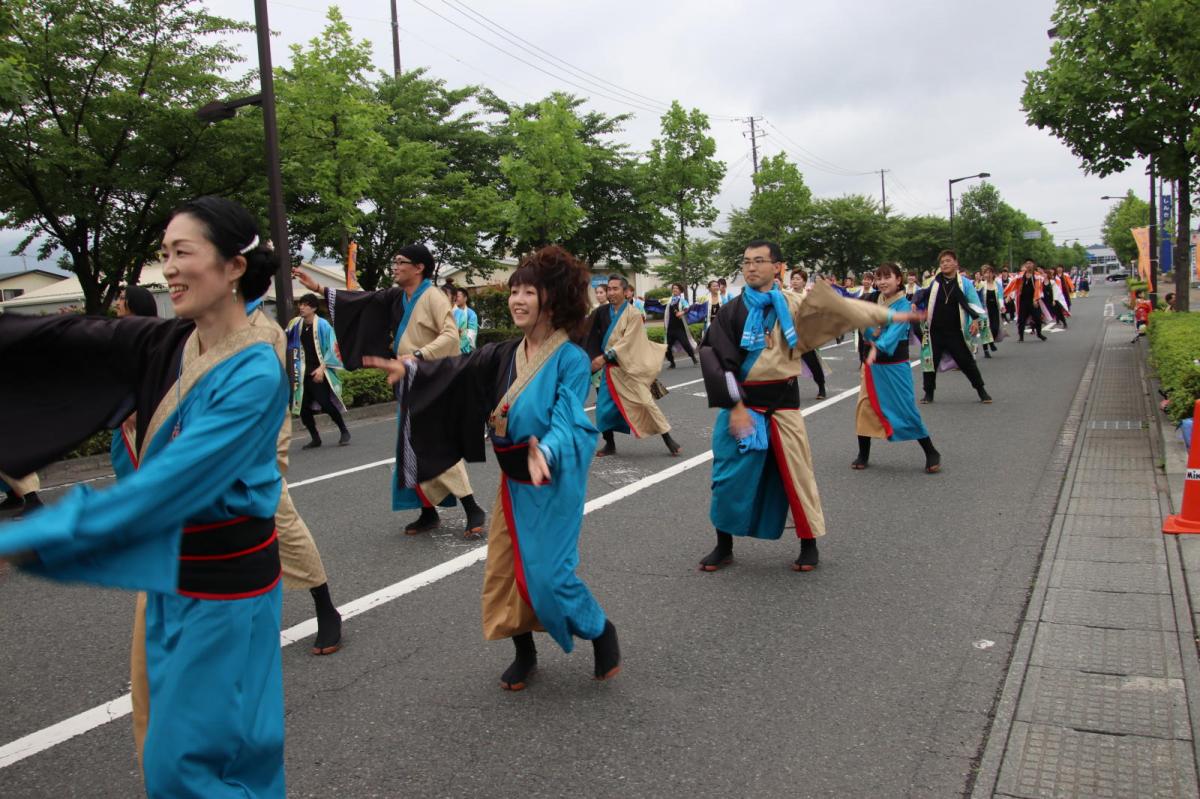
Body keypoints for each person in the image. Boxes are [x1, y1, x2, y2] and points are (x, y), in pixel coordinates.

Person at [0, 196, 288, 797]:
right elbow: (69, 338)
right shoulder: (174, 343)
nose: (170, 269)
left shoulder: (256, 371)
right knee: (193, 749)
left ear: (235, 266)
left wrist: (26, 536)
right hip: (173, 578)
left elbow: (165, 486)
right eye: (165, 255)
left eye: (184, 253)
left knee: (189, 765)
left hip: (223, 591)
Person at [362, 245, 620, 691]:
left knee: (549, 575)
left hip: (551, 478)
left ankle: (599, 629)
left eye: (528, 292)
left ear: (551, 299)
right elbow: (457, 370)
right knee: (503, 570)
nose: (517, 300)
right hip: (512, 481)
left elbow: (569, 419)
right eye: (514, 291)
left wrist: (549, 451)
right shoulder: (501, 353)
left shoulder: (571, 359)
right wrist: (412, 370)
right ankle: (524, 652)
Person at [698, 240, 923, 573]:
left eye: (759, 261)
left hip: (783, 405)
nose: (750, 268)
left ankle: (809, 544)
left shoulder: (794, 305)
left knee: (797, 475)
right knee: (727, 478)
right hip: (741, 404)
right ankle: (724, 544)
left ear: (778, 267)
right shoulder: (731, 311)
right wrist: (735, 406)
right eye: (746, 262)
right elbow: (714, 358)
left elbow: (842, 309)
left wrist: (890, 314)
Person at [294, 245, 488, 537]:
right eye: (395, 261)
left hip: (430, 378)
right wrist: (320, 287)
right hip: (406, 378)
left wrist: (419, 355)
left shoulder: (433, 296)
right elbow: (363, 300)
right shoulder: (398, 295)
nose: (395, 267)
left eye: (401, 262)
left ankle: (472, 506)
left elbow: (450, 335)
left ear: (419, 267)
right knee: (409, 446)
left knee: (434, 443)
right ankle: (427, 511)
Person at [851, 263, 940, 473]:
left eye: (887, 277)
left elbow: (891, 337)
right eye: (878, 278)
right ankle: (863, 453)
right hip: (871, 367)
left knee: (904, 408)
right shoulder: (871, 299)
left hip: (894, 366)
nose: (882, 282)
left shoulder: (903, 306)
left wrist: (876, 339)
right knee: (864, 407)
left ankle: (931, 451)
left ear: (898, 279)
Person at [585, 275, 682, 457]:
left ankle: (668, 438)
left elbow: (628, 342)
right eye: (609, 289)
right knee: (603, 410)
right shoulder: (600, 312)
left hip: (629, 368)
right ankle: (610, 444)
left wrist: (605, 357)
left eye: (615, 289)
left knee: (646, 403)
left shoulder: (633, 314)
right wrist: (591, 357)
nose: (611, 292)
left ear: (625, 291)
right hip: (610, 372)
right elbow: (589, 334)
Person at [915, 250, 992, 404]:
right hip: (934, 331)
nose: (944, 264)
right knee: (929, 362)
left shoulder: (965, 284)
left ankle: (981, 390)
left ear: (956, 263)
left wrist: (976, 321)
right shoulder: (934, 282)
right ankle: (928, 393)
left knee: (967, 362)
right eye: (942, 262)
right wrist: (914, 303)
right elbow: (922, 293)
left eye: (948, 261)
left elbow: (974, 304)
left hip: (955, 331)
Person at [285, 293, 351, 449]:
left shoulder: (323, 325)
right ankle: (315, 438)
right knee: (301, 407)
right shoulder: (295, 324)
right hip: (301, 372)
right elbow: (283, 337)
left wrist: (322, 369)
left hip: (319, 371)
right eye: (300, 304)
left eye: (305, 305)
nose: (301, 307)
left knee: (325, 403)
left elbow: (333, 348)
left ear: (313, 308)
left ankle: (343, 430)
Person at [788, 269, 828, 400]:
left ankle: (821, 386)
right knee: (788, 364)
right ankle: (790, 392)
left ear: (804, 282)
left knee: (813, 363)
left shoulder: (808, 297)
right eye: (793, 278)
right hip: (789, 335)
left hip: (805, 336)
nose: (795, 281)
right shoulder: (786, 296)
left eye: (798, 279)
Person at [1004, 259, 1048, 342]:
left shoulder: (1037, 276)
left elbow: (1038, 288)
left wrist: (1036, 299)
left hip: (1033, 300)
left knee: (1037, 318)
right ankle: (1021, 336)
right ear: (1025, 265)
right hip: (1023, 301)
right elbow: (1012, 285)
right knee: (1021, 319)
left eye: (1030, 263)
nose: (1028, 265)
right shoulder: (1020, 276)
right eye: (1027, 263)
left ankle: (1039, 333)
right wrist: (1008, 295)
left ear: (1033, 265)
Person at [663, 282, 698, 368]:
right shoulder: (669, 300)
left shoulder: (682, 300)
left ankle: (694, 358)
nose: (674, 289)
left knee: (685, 344)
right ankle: (672, 363)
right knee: (666, 347)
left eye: (676, 288)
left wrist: (682, 312)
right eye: (673, 288)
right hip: (670, 328)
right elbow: (659, 302)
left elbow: (687, 307)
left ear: (680, 291)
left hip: (679, 328)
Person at [976, 265, 1005, 358]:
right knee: (985, 330)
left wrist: (1002, 306)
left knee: (995, 328)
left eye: (989, 272)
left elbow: (1000, 297)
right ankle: (986, 350)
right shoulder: (981, 284)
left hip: (995, 310)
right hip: (984, 310)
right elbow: (975, 295)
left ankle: (991, 342)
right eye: (985, 273)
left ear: (993, 274)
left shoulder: (998, 285)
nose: (988, 275)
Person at [453, 287, 479, 354]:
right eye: (455, 296)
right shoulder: (452, 311)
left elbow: (471, 335)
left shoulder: (471, 314)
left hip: (466, 351)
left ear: (465, 298)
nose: (455, 298)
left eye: (458, 296)